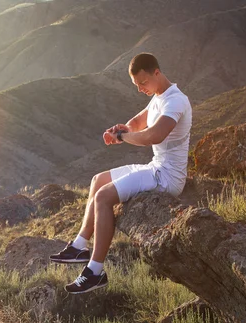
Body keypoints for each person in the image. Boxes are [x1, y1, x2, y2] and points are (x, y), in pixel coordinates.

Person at [49, 53, 192, 294]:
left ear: (157, 73)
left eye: (143, 83)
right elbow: (138, 122)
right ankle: (80, 246)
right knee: (98, 180)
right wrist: (123, 129)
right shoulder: (158, 96)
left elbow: (153, 136)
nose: (140, 89)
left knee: (104, 197)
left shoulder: (176, 101)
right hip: (155, 166)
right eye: (137, 85)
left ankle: (95, 271)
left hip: (167, 177)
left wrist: (123, 138)